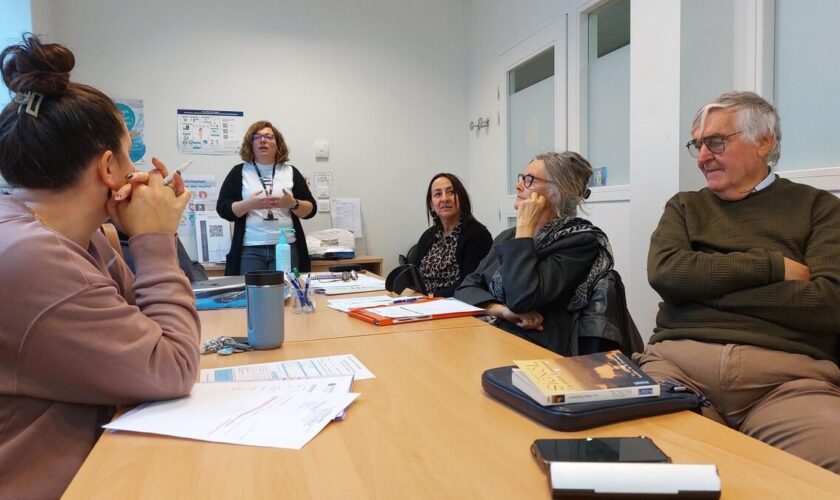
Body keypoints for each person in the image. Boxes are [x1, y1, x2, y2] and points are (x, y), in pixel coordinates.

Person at [0, 35, 200, 498]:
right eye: (131, 154)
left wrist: (130, 233)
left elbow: (142, 332)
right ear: (109, 168)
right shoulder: (31, 257)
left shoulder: (82, 238)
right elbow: (171, 365)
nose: (137, 172)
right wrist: (154, 239)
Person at [635, 91, 840, 473]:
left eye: (715, 142)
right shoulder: (684, 206)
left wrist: (701, 289)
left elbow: (827, 304)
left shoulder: (820, 209)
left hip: (788, 384)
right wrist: (772, 267)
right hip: (679, 371)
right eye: (697, 145)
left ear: (764, 141)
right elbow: (666, 273)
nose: (702, 157)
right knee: (641, 464)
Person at [455, 151, 613, 355]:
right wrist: (502, 311)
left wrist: (524, 230)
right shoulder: (508, 236)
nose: (518, 185)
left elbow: (521, 298)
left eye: (529, 180)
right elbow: (464, 289)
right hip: (492, 335)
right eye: (522, 178)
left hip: (533, 350)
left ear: (559, 190)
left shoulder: (579, 241)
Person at [216, 121, 316, 275]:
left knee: (286, 294)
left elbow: (310, 210)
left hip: (286, 246)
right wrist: (248, 204)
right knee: (252, 296)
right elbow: (223, 209)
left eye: (269, 137)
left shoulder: (290, 171)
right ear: (250, 145)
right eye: (257, 137)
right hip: (250, 248)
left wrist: (293, 204)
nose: (263, 140)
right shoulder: (239, 172)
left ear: (278, 144)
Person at [409, 173, 492, 297]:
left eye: (451, 192)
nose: (445, 199)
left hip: (456, 305)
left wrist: (431, 297)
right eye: (438, 194)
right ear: (431, 205)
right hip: (423, 303)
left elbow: (470, 284)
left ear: (461, 198)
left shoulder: (478, 235)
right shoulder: (428, 236)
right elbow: (412, 275)